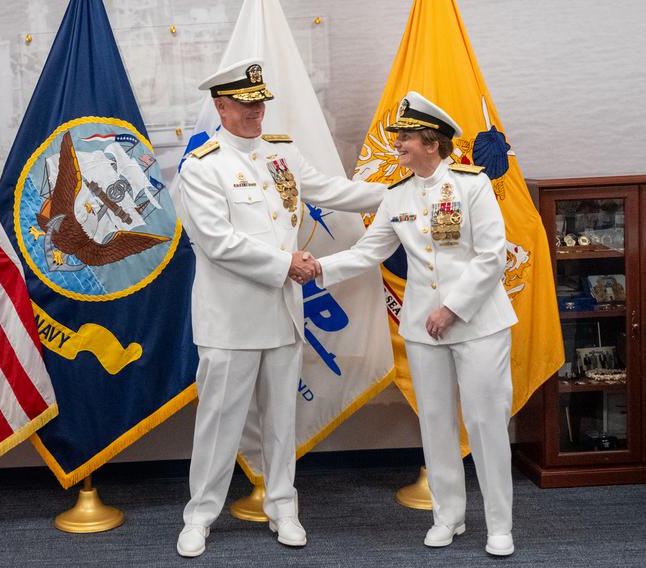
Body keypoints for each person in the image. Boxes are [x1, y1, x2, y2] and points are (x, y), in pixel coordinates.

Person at [175, 58, 387, 557]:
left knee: (281, 421)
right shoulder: (202, 168)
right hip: (229, 319)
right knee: (219, 422)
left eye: (260, 103)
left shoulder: (281, 155)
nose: (256, 112)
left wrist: (407, 190)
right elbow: (217, 243)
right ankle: (200, 515)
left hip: (284, 313)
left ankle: (283, 505)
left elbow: (335, 192)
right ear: (221, 106)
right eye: (245, 105)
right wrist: (285, 263)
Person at [314, 91, 518, 557]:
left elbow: (492, 257)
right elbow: (370, 252)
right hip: (424, 329)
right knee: (436, 423)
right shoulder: (397, 196)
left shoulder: (472, 185)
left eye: (405, 137)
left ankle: (499, 525)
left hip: (479, 323)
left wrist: (453, 309)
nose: (399, 144)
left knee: (486, 422)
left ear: (431, 141)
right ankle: (449, 516)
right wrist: (316, 270)